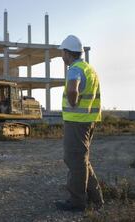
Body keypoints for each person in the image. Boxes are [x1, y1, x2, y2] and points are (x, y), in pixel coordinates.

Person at [55, 35, 104, 212]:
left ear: (68, 53)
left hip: (76, 122)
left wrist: (73, 101)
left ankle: (77, 202)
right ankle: (96, 198)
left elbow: (72, 89)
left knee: (74, 160)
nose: (61, 55)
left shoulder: (74, 69)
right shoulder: (89, 69)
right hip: (88, 121)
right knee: (81, 160)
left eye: (62, 52)